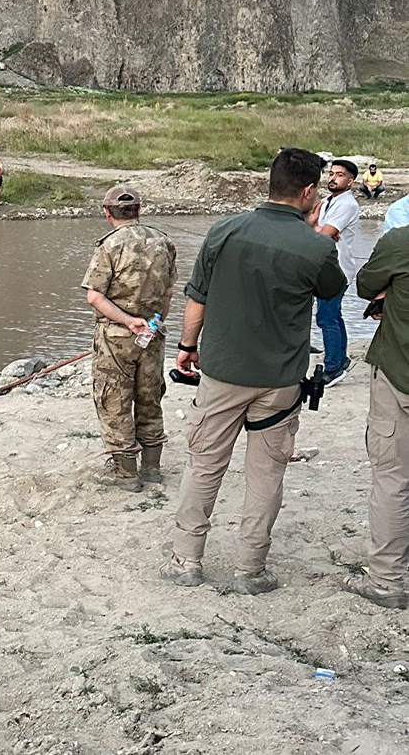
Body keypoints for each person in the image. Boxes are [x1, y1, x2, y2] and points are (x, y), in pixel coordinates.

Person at [162, 148, 346, 594]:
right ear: (308, 192)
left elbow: (197, 297)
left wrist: (187, 346)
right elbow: (332, 290)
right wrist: (311, 232)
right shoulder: (317, 245)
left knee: (204, 466)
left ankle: (186, 561)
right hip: (280, 381)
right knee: (266, 474)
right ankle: (250, 569)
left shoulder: (224, 230)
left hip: (222, 371)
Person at [81, 185, 178, 491]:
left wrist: (127, 321)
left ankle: (125, 473)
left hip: (116, 338)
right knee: (150, 397)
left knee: (115, 400)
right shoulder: (163, 242)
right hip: (152, 334)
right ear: (140, 210)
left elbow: (95, 297)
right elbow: (168, 292)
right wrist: (153, 322)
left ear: (106, 213)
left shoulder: (108, 246)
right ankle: (152, 468)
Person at [347, 225, 409, 608]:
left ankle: (387, 581)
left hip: (400, 375)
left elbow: (365, 285)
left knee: (393, 479)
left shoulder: (401, 242)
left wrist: (389, 294)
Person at [314, 159, 360, 386]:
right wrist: (319, 229)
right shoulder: (326, 202)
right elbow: (314, 225)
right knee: (333, 315)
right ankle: (340, 359)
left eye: (339, 175)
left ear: (350, 181)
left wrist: (319, 230)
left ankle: (333, 368)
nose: (333, 178)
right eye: (331, 173)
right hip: (325, 266)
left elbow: (324, 234)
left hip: (337, 269)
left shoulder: (347, 204)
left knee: (326, 317)